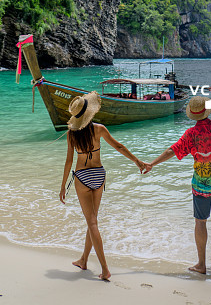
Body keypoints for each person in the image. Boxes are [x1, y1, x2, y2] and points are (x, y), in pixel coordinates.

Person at [143, 92, 211, 275]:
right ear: (207, 112)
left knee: (200, 222)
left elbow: (172, 151)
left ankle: (202, 264)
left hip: (201, 185)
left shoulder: (191, 134)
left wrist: (151, 164)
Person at [59, 91, 146, 281]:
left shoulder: (71, 134)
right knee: (93, 221)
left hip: (82, 176)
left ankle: (105, 269)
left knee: (91, 222)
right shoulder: (99, 129)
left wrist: (63, 185)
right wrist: (137, 161)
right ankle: (83, 260)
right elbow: (119, 146)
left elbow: (68, 161)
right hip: (99, 175)